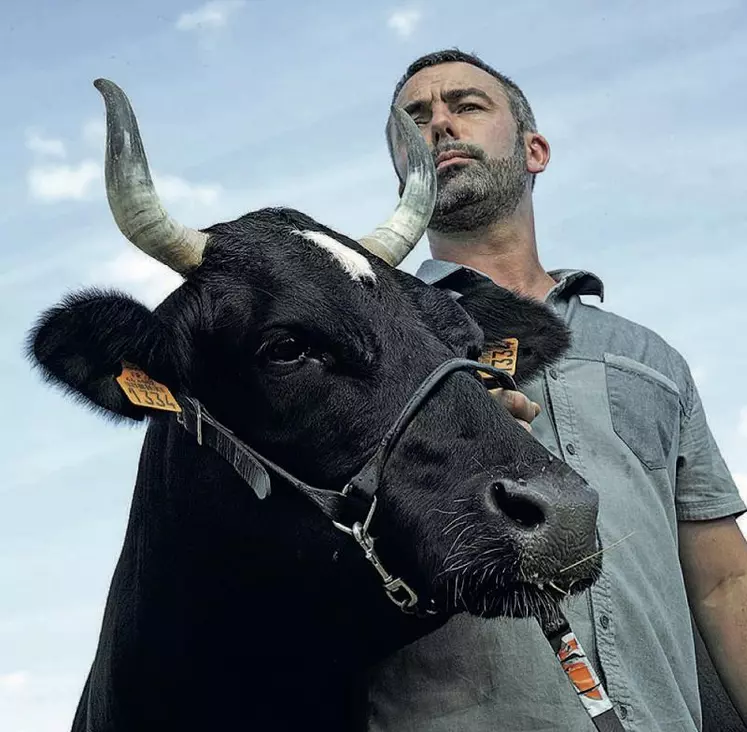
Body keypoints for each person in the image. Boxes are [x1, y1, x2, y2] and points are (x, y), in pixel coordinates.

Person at [365, 49, 747, 732]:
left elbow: (725, 583)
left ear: (534, 149)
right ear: (404, 177)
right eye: (415, 120)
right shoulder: (368, 342)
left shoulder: (648, 356)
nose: (440, 125)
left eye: (466, 105)